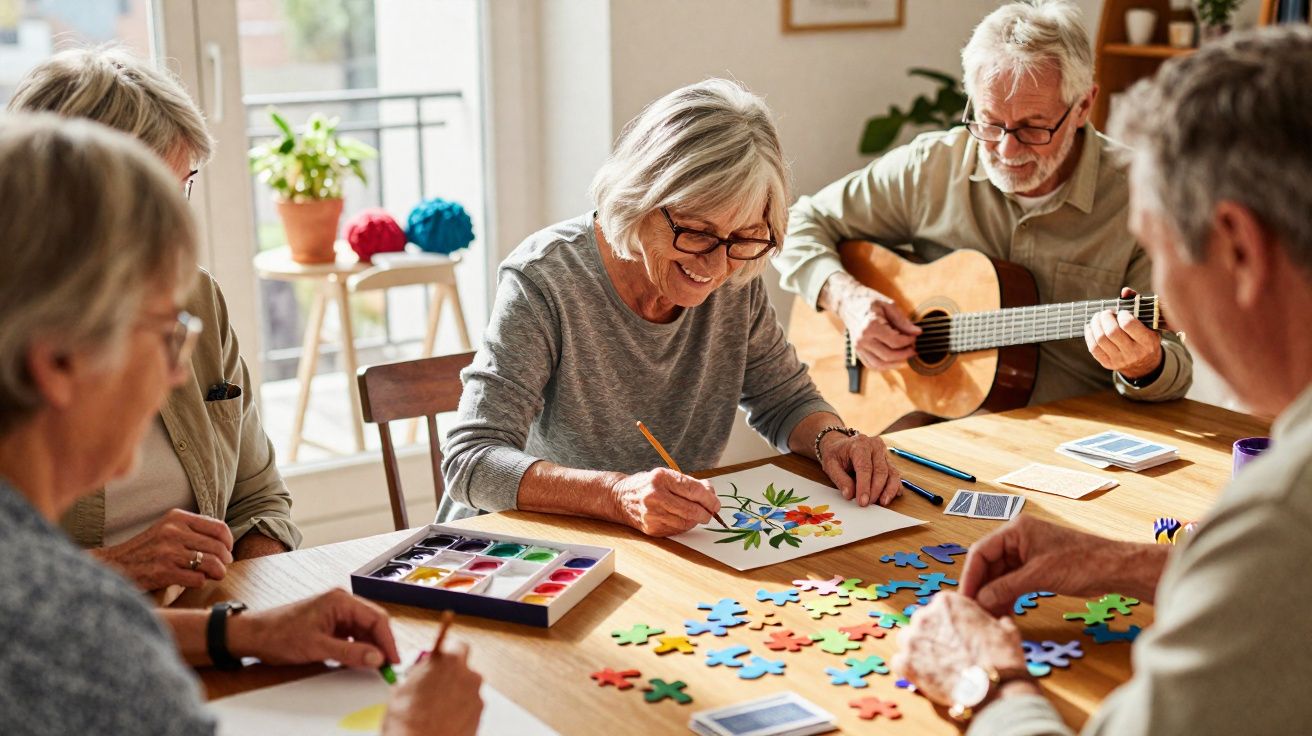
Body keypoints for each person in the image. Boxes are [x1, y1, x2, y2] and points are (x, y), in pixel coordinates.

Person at [0, 113, 482, 736]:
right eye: (162, 332)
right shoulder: (83, 639)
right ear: (59, 362)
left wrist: (238, 630)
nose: (178, 375)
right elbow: (72, 632)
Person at [893, 26, 1312, 734]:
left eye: (1153, 247)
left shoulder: (1286, 513)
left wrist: (984, 681)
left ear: (1238, 246)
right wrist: (1127, 563)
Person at [442, 79, 902, 533]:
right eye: (697, 232)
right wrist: (617, 495)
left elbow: (785, 399)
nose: (718, 265)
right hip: (523, 552)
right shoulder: (546, 278)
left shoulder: (735, 273)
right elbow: (472, 462)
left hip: (660, 546)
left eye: (743, 237)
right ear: (639, 200)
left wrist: (831, 440)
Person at [775, 0, 1193, 421]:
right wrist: (849, 299)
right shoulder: (931, 168)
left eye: (1032, 127)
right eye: (990, 122)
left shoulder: (1144, 194)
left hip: (1079, 443)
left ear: (1083, 106)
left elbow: (1175, 369)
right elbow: (795, 225)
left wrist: (1144, 364)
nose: (1007, 149)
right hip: (937, 437)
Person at [7, 47, 299, 594]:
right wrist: (119, 567)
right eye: (152, 197)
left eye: (182, 187)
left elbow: (259, 499)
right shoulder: (20, 334)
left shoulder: (197, 297)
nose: (173, 226)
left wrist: (237, 619)